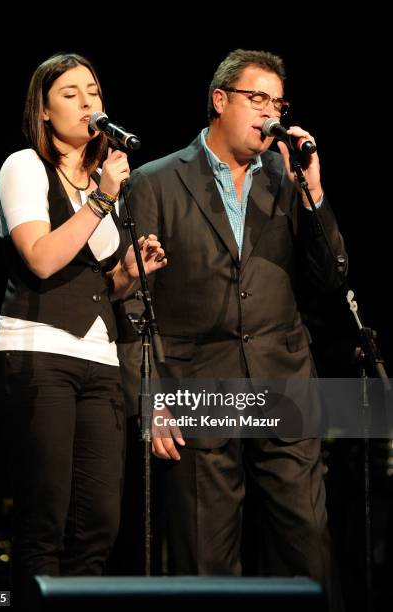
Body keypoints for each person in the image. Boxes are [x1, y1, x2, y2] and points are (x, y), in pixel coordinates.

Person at [119, 49, 345, 610]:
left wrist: (313, 192)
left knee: (308, 550)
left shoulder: (286, 179)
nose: (270, 114)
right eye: (257, 99)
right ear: (220, 101)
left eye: (277, 102)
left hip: (283, 382)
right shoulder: (156, 181)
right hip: (199, 384)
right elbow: (132, 301)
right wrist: (150, 396)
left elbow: (332, 276)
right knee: (205, 563)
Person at [0, 52, 166, 604]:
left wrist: (130, 275)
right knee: (45, 518)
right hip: (36, 356)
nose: (89, 102)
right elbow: (41, 259)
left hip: (99, 362)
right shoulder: (25, 167)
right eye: (71, 93)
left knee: (99, 523)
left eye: (93, 91)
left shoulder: (97, 183)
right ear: (43, 110)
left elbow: (96, 285)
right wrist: (102, 198)